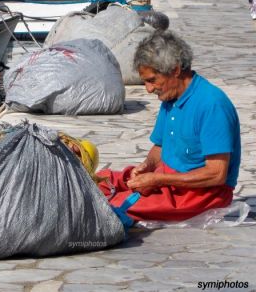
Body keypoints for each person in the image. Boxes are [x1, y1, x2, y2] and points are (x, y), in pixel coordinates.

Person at [96, 30, 241, 222]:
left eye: (152, 80)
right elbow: (160, 148)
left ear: (175, 70)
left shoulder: (212, 105)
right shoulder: (171, 97)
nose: (148, 89)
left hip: (201, 194)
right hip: (169, 178)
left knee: (114, 205)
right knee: (101, 181)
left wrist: (158, 180)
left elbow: (216, 174)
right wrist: (147, 166)